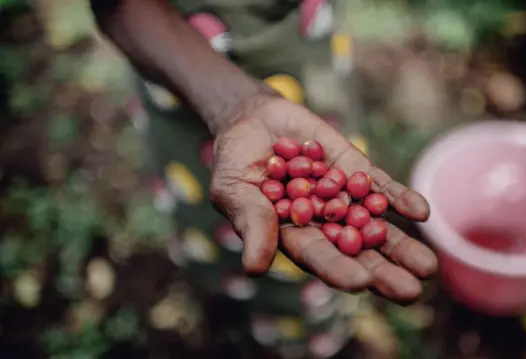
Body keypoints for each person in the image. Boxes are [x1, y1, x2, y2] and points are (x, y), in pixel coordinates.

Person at [90, 0, 437, 357]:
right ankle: (228, 304)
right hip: (179, 75)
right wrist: (233, 104)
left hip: (304, 49)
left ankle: (303, 336)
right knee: (217, 223)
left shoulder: (315, 175)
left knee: (295, 260)